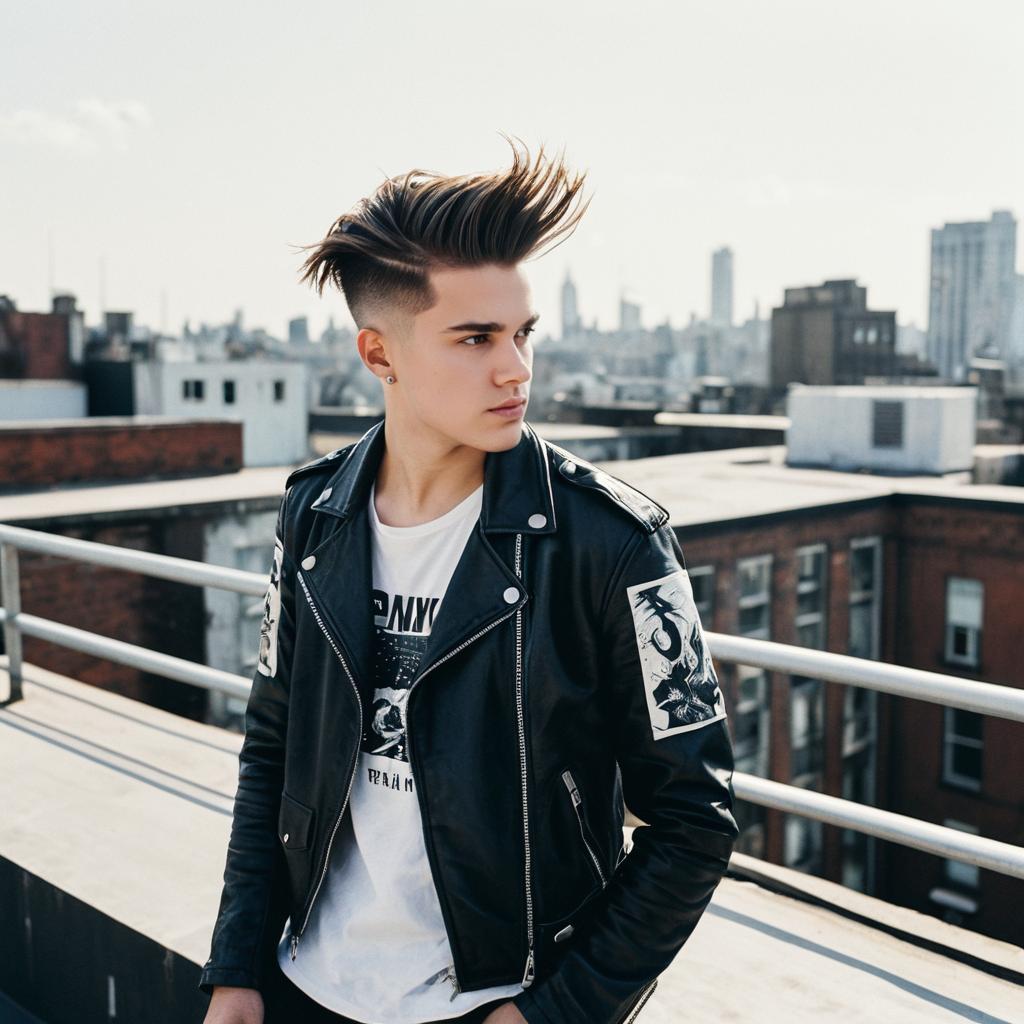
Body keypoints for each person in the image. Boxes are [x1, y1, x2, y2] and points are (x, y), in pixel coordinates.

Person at [199, 134, 738, 1024]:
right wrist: (237, 965)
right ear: (380, 355)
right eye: (475, 337)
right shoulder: (314, 517)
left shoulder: (612, 545)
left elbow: (696, 819)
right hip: (306, 984)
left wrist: (554, 1014)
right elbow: (273, 745)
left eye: (523, 333)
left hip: (497, 998)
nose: (516, 369)